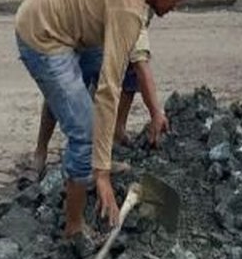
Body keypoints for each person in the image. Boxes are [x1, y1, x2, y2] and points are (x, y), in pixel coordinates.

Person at [15, 0, 198, 243]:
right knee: (84, 130)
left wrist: (156, 111)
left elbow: (136, 55)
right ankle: (73, 227)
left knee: (81, 90)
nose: (177, 4)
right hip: (43, 33)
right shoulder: (128, 5)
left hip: (63, 18)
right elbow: (108, 90)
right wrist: (101, 174)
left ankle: (95, 159)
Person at [30, 32, 167, 177]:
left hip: (114, 30)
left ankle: (113, 136)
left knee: (125, 72)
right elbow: (140, 58)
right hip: (86, 29)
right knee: (65, 84)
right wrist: (155, 112)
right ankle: (42, 152)